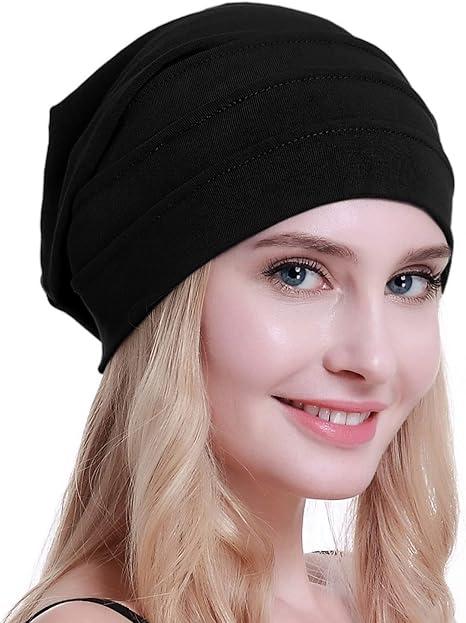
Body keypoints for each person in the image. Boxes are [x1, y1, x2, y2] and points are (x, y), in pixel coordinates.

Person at [7, 3, 458, 623]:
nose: (374, 359)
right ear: (163, 307)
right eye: (297, 273)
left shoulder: (373, 596)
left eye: (408, 282)